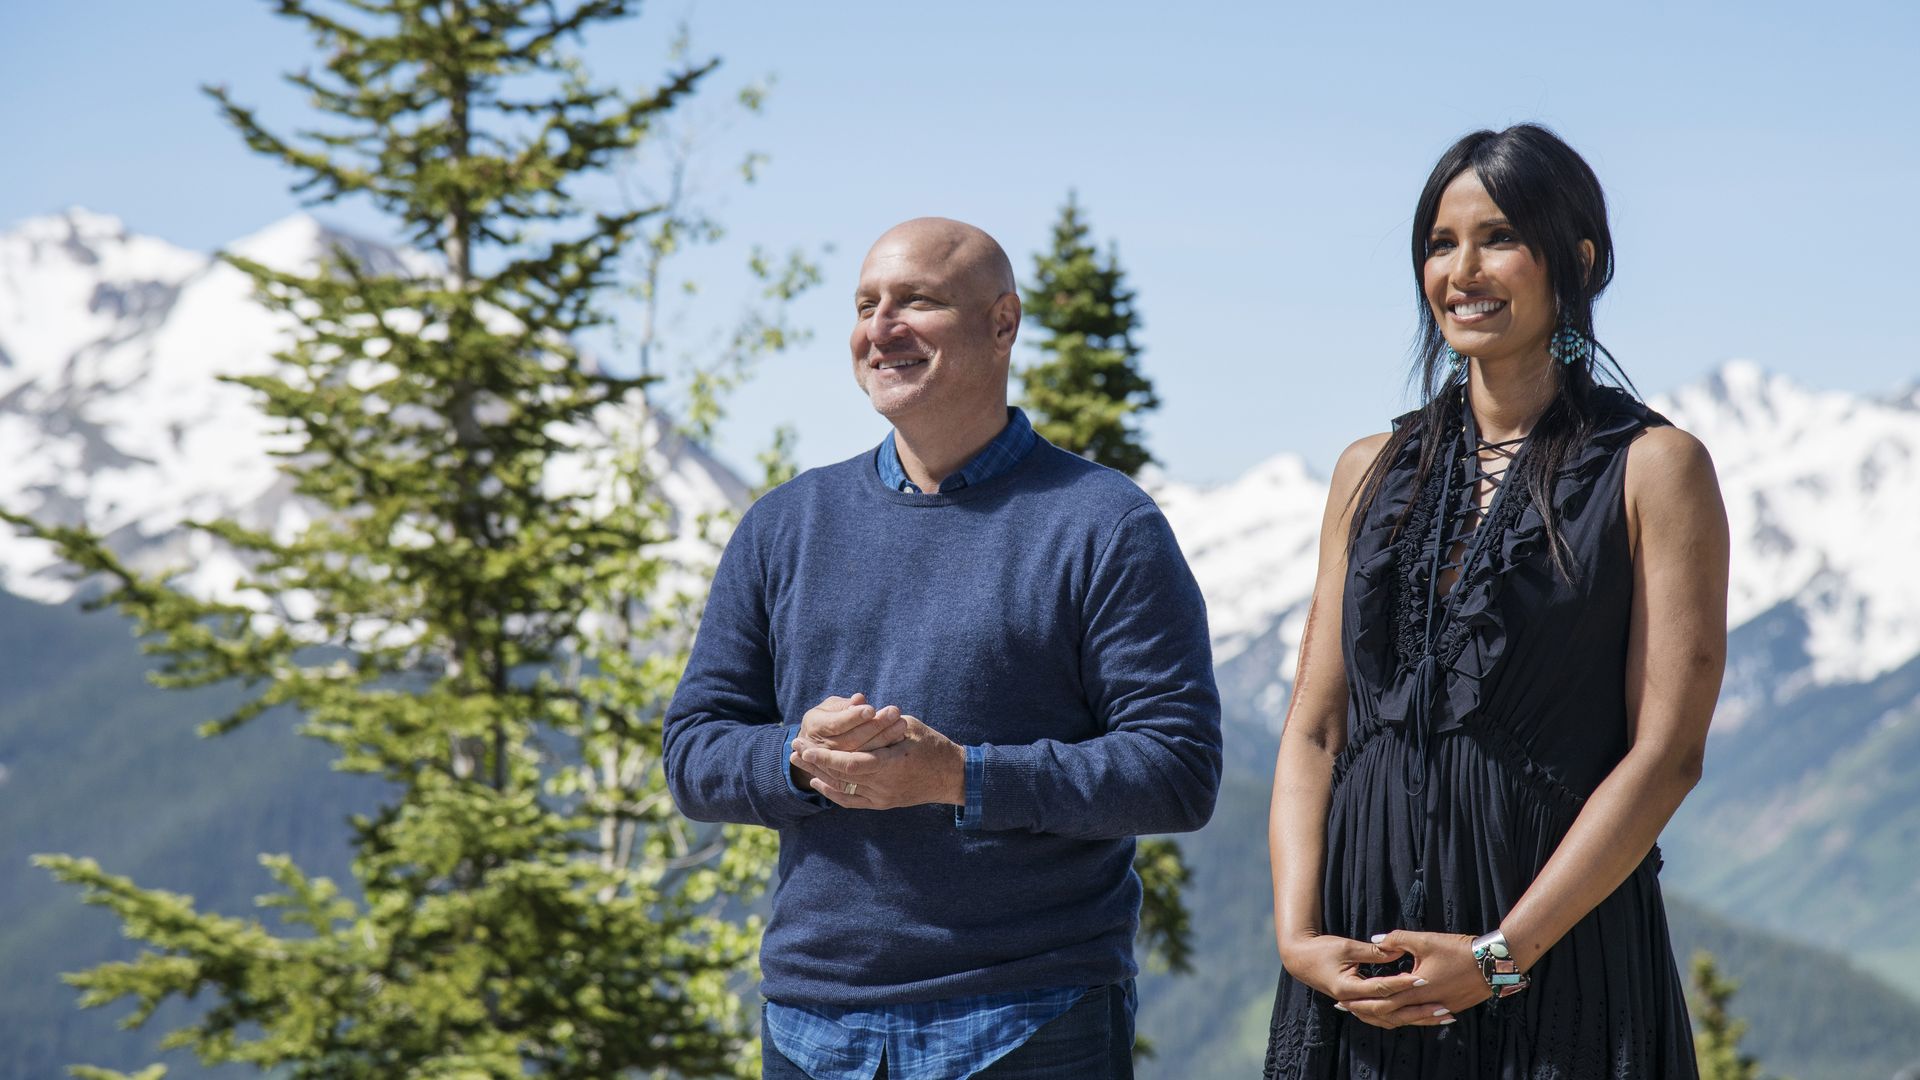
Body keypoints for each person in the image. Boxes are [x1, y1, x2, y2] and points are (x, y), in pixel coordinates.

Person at [663, 217, 1222, 1080]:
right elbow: (693, 751)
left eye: (916, 301)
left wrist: (961, 776)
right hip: (814, 1027)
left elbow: (1178, 771)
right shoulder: (785, 525)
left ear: (1004, 323)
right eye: (865, 304)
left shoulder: (1106, 526)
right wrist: (800, 761)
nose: (881, 328)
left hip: (1032, 1019)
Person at [1263, 125, 1729, 1078]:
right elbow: (1315, 728)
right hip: (1363, 954)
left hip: (1555, 949)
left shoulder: (1655, 468)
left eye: (1499, 237)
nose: (1462, 270)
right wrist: (1298, 937)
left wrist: (1499, 957)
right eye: (1441, 243)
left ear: (1579, 260)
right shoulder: (1368, 469)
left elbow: (1667, 755)